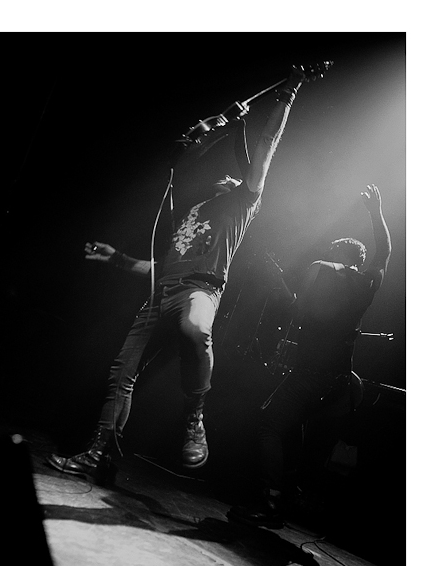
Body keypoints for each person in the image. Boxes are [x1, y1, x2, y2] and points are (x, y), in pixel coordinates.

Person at [46, 66, 308, 485]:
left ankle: (195, 416)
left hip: (200, 289)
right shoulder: (194, 211)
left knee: (195, 326)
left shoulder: (243, 204)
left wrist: (286, 94)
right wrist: (117, 259)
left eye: (236, 176)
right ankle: (97, 453)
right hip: (160, 292)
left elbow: (266, 144)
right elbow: (160, 267)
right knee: (121, 373)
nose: (226, 176)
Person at [228, 184, 392, 526]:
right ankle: (290, 495)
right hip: (340, 382)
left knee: (269, 425)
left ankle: (270, 502)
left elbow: (298, 313)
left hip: (311, 373)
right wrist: (376, 212)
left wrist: (281, 293)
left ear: (337, 255)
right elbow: (385, 252)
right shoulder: (369, 284)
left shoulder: (321, 269)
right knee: (295, 429)